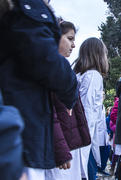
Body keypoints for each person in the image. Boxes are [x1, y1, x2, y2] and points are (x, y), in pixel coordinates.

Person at [0, 0, 78, 179]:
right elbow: (44, 59)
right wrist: (71, 89)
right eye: (69, 38)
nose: (73, 45)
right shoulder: (29, 7)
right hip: (20, 139)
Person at [45, 20, 91, 180]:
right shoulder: (51, 69)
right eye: (69, 39)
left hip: (69, 144)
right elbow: (50, 112)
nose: (73, 45)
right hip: (62, 147)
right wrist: (61, 150)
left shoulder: (62, 67)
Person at [73, 37, 109, 180]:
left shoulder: (79, 74)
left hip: (79, 136)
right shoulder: (93, 76)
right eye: (105, 54)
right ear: (98, 55)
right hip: (85, 139)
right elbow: (87, 111)